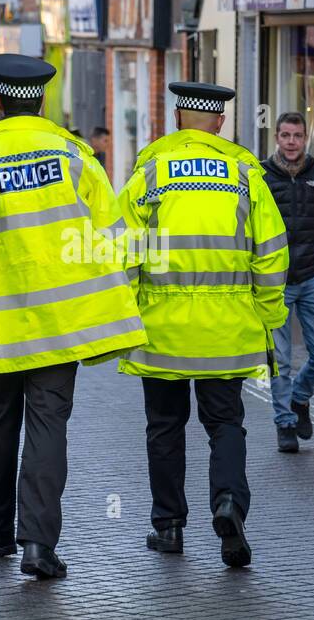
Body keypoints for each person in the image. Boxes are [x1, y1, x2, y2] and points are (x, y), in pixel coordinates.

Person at [0, 54, 146, 580]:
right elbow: (116, 239)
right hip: (59, 326)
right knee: (49, 428)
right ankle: (39, 546)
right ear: (42, 100)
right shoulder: (75, 157)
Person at [114, 82, 289, 568]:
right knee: (226, 423)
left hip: (162, 330)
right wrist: (269, 316)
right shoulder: (244, 174)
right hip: (227, 329)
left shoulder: (149, 173)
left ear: (176, 118)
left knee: (164, 428)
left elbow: (121, 251)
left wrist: (125, 312)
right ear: (219, 123)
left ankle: (169, 527)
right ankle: (229, 506)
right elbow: (272, 254)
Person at [261, 111, 314, 453]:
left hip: (311, 277)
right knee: (279, 359)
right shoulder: (261, 177)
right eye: (285, 135)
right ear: (276, 138)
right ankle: (285, 423)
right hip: (275, 281)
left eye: (297, 136)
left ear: (305, 138)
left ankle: (300, 397)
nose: (291, 142)